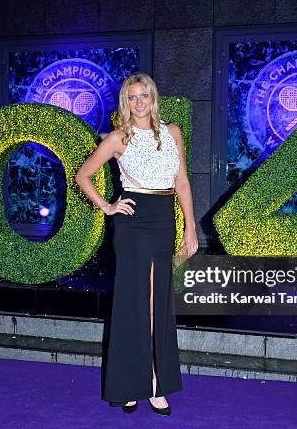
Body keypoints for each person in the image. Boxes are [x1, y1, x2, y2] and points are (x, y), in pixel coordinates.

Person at [75, 72, 198, 416]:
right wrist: (108, 206)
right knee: (134, 304)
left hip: (163, 222)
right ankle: (130, 384)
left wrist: (190, 228)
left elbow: (183, 183)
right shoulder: (118, 139)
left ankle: (157, 384)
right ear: (125, 102)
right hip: (133, 222)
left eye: (144, 95)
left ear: (153, 98)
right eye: (133, 97)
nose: (139, 102)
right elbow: (83, 175)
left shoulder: (172, 132)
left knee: (159, 303)